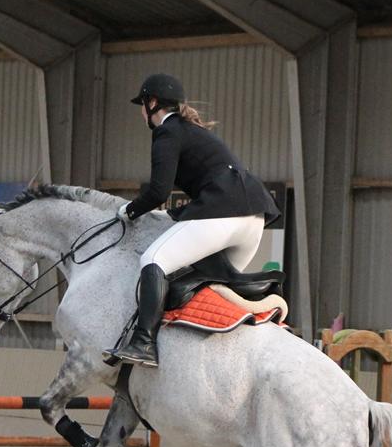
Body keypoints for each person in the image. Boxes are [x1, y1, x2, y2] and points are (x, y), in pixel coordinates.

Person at [107, 73, 281, 368]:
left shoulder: (167, 131)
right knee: (204, 287)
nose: (141, 112)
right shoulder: (192, 131)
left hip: (224, 213)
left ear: (152, 103)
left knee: (153, 260)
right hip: (253, 220)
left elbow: (158, 191)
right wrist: (174, 215)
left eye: (142, 104)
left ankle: (144, 343)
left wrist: (129, 211)